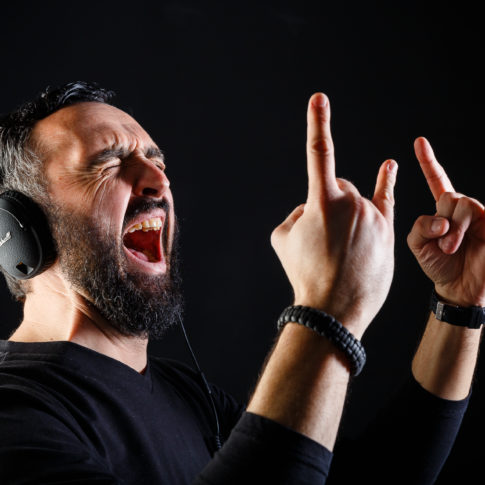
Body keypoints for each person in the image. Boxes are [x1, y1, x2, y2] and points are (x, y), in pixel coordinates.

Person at [0, 82, 480, 484]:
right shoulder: (17, 415)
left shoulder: (185, 393)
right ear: (20, 231)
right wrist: (326, 309)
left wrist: (460, 308)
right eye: (107, 162)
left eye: (156, 160)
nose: (157, 181)